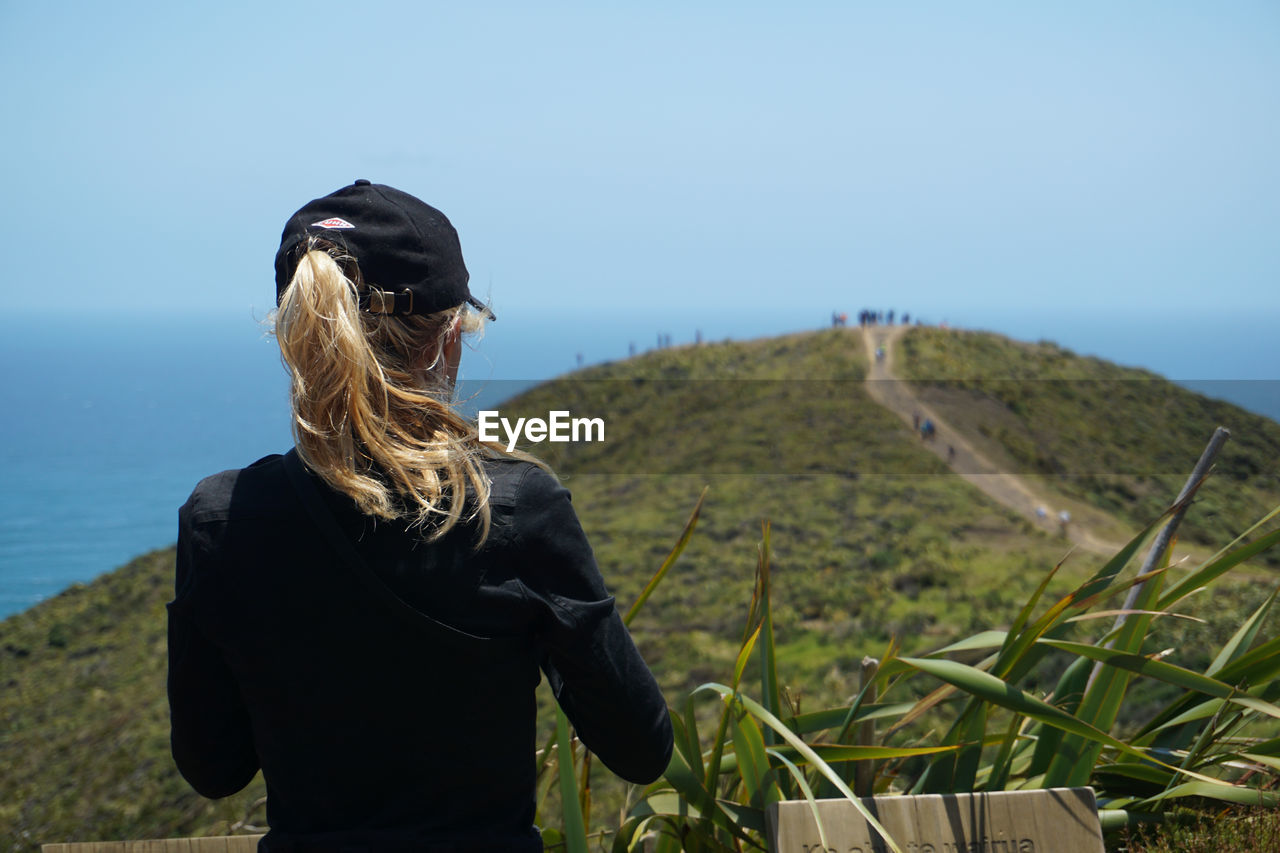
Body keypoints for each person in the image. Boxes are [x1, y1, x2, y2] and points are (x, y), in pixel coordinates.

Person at [167, 180, 673, 851]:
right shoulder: (515, 508)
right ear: (445, 343)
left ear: (300, 336)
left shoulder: (219, 520)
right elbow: (642, 749)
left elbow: (214, 768)